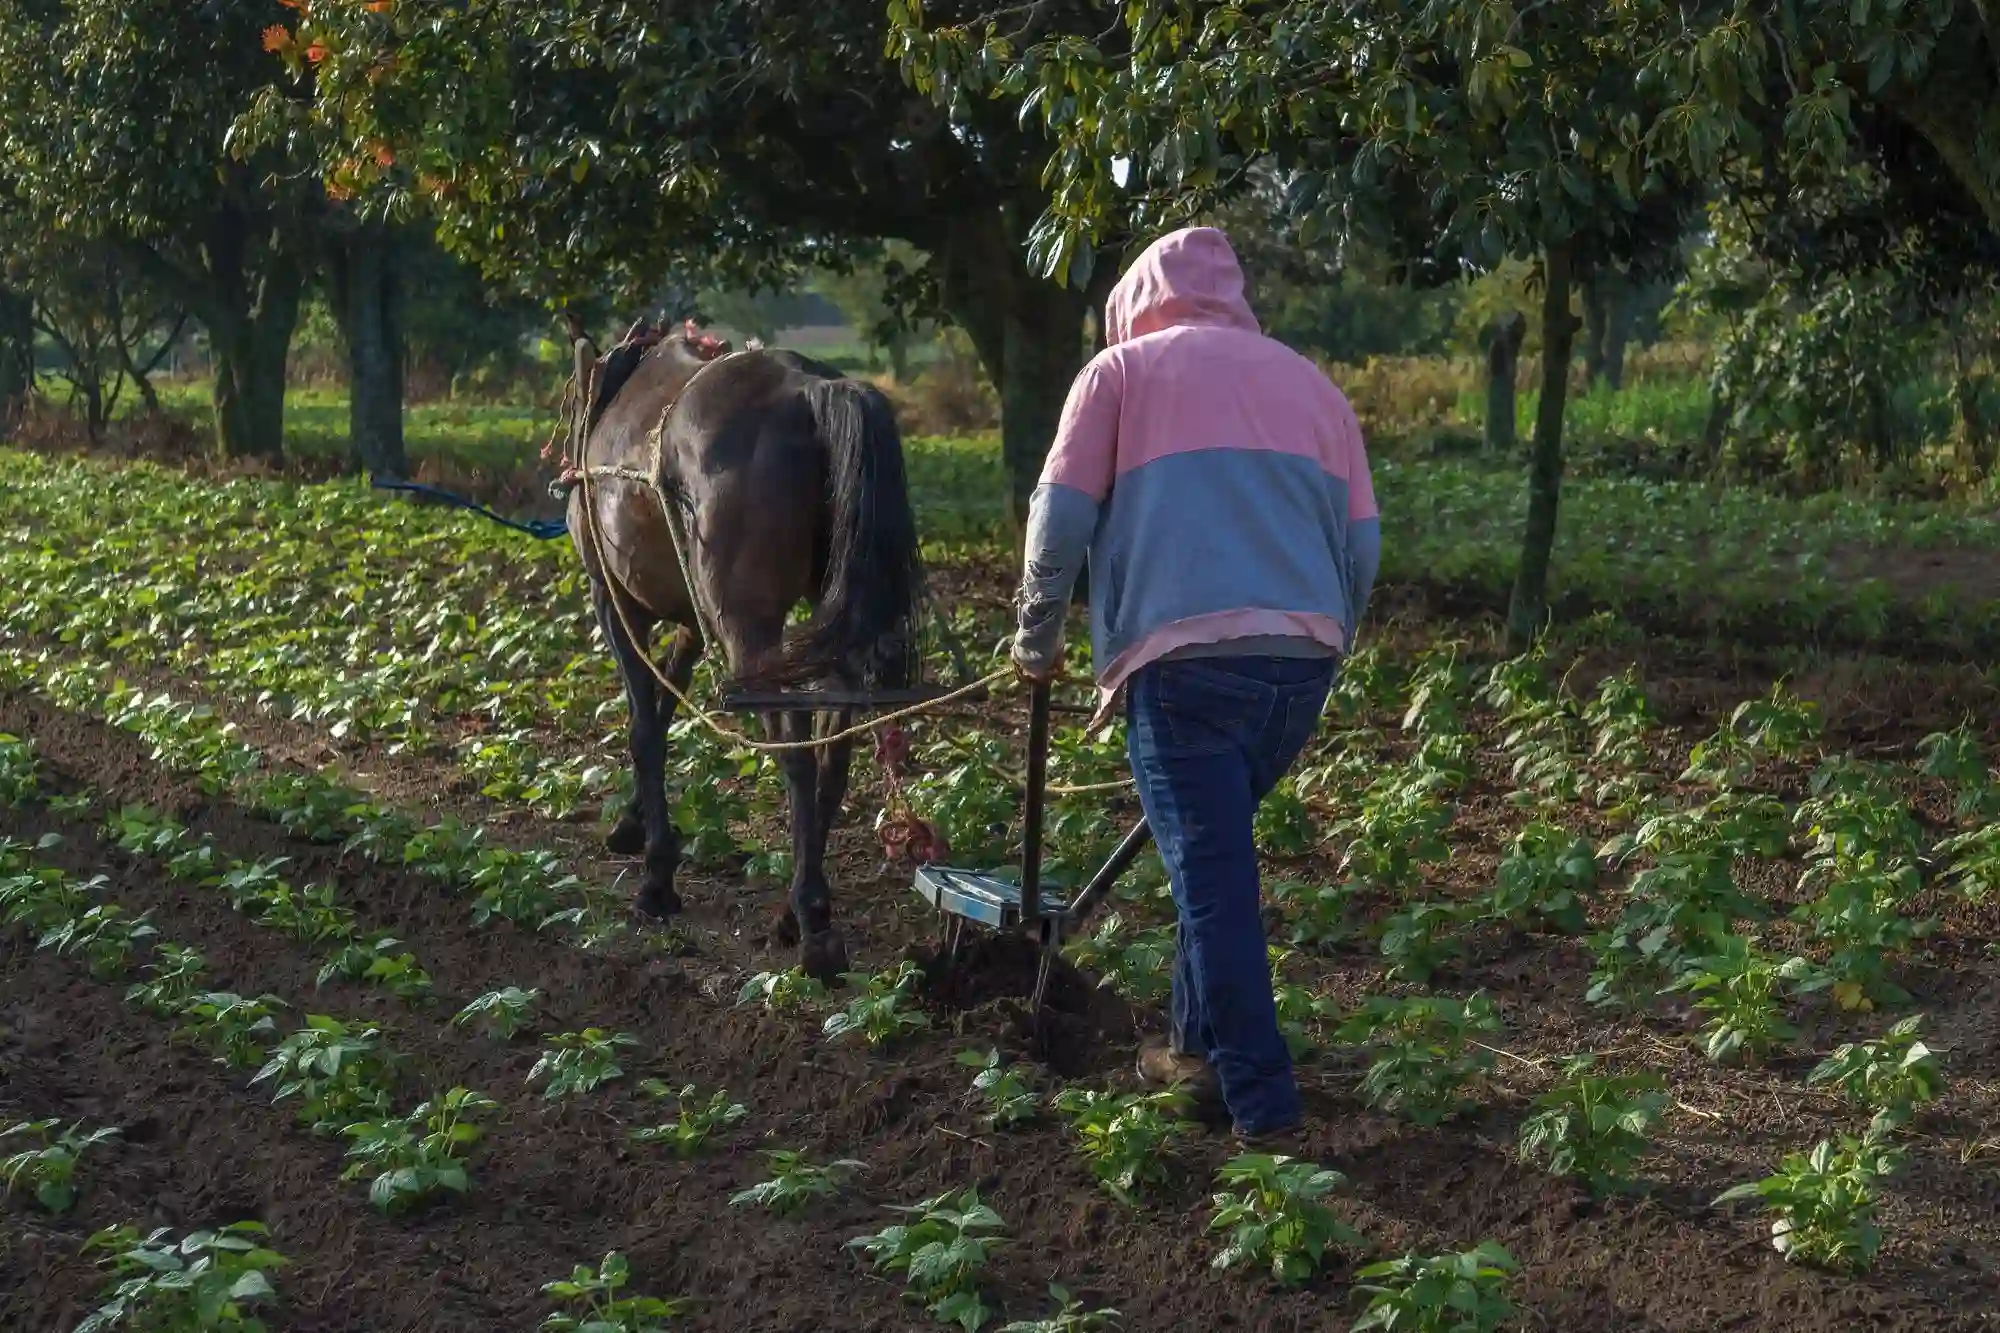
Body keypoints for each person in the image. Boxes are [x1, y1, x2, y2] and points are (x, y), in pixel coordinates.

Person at [1010, 225, 1380, 1140]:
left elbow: (1057, 519)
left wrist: (1035, 638)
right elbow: (1363, 546)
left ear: (1133, 305)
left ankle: (1264, 1109)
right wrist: (1327, 639)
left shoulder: (1120, 375)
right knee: (1205, 858)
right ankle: (1191, 1051)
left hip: (1181, 672)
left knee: (1215, 888)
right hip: (1297, 673)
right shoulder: (1312, 386)